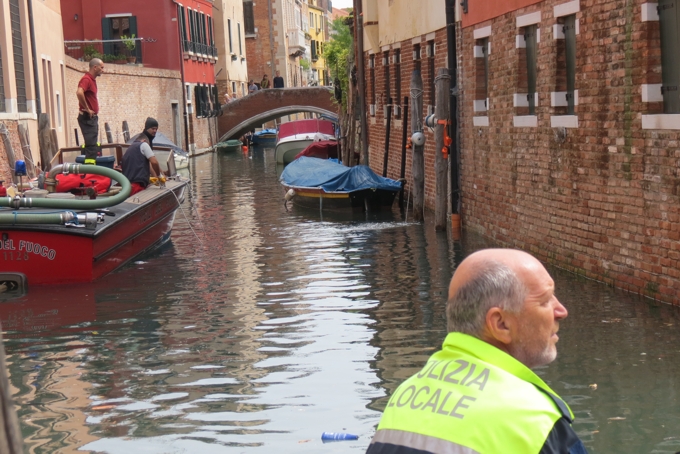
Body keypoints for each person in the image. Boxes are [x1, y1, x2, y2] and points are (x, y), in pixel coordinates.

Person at [366, 249, 588, 454]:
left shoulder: (404, 396)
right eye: (545, 300)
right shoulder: (533, 418)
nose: (561, 311)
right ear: (501, 324)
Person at [122, 117, 164, 196]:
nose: (155, 131)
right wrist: (159, 176)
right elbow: (154, 162)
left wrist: (161, 175)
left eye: (156, 129)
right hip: (137, 186)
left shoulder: (133, 146)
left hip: (128, 185)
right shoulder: (144, 144)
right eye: (153, 128)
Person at [76, 58, 104, 164]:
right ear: (95, 67)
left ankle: (90, 166)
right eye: (101, 68)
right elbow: (79, 92)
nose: (103, 70)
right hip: (87, 118)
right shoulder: (86, 79)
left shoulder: (92, 80)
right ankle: (90, 170)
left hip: (91, 118)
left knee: (92, 144)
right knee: (91, 146)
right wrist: (87, 109)